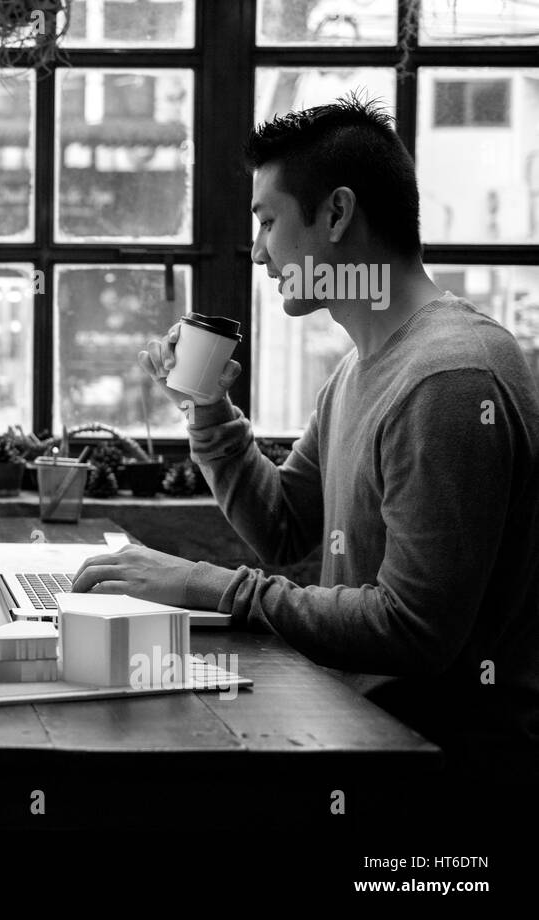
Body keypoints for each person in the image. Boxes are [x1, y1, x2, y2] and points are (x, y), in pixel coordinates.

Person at [72, 95, 539, 749]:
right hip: (361, 723)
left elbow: (414, 630)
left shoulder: (450, 380)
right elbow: (284, 527)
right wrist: (207, 407)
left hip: (441, 761)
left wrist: (208, 585)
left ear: (337, 212)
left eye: (268, 222)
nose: (260, 255)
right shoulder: (360, 369)